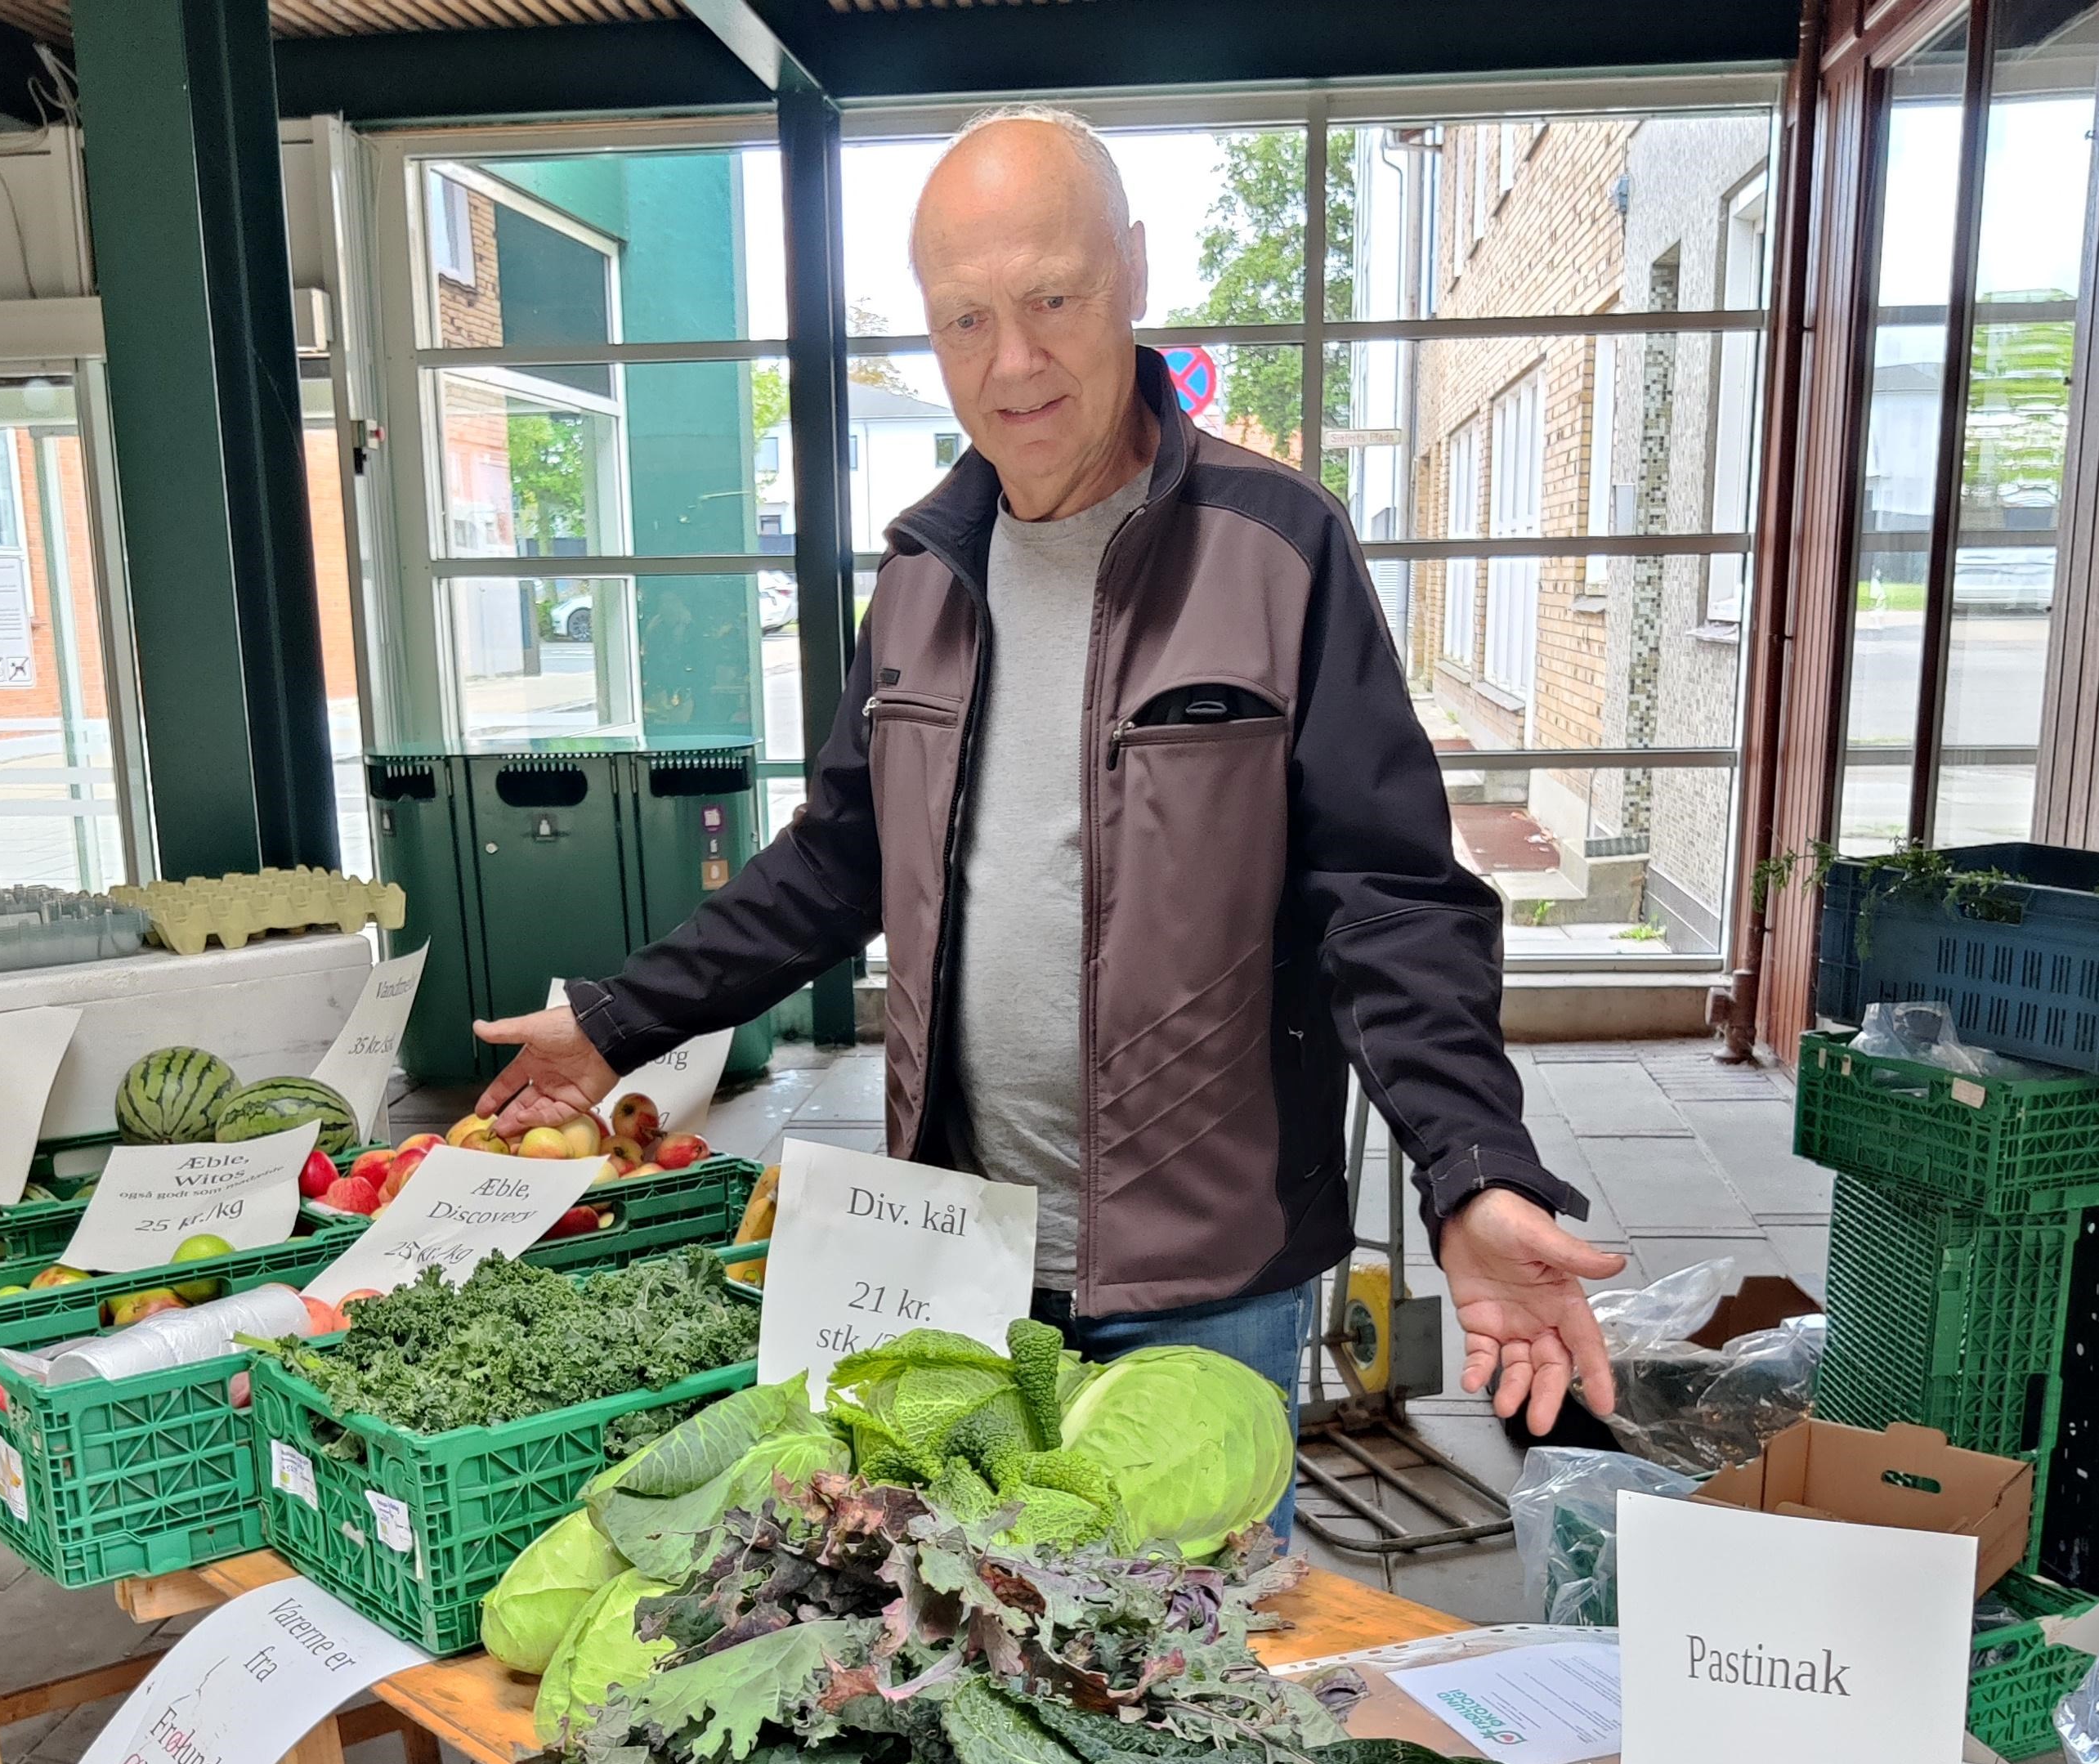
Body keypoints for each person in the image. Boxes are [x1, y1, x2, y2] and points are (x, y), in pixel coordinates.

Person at [477, 105, 1622, 1452]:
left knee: (1195, 1640)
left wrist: (1470, 1170)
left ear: (1132, 271)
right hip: (959, 1253)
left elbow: (1392, 899)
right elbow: (837, 862)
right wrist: (617, 1021)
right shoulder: (920, 574)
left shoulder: (1277, 548)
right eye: (964, 319)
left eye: (1053, 298)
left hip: (1205, 1278)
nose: (1011, 361)